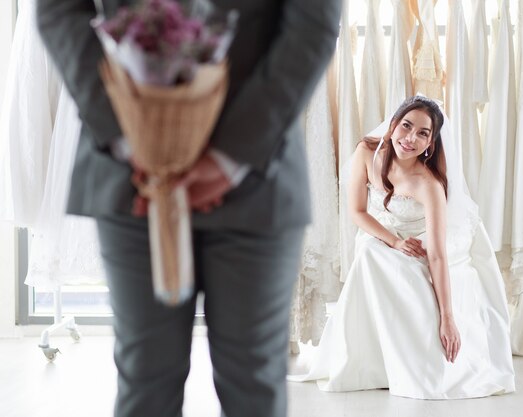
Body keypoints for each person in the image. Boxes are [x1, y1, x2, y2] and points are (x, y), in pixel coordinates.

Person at [36, 1, 341, 416]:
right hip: (130, 177)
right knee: (145, 384)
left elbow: (314, 23)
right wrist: (135, 138)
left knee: (255, 387)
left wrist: (231, 158)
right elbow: (58, 11)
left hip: (257, 177)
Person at [289, 95, 516, 399]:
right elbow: (358, 212)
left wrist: (448, 317)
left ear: (431, 144)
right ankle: (369, 361)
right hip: (384, 233)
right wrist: (393, 241)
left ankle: (410, 365)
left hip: (424, 240)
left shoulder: (429, 185)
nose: (410, 138)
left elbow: (436, 254)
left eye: (423, 133)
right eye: (406, 126)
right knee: (370, 253)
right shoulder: (366, 153)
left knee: (401, 272)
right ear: (393, 124)